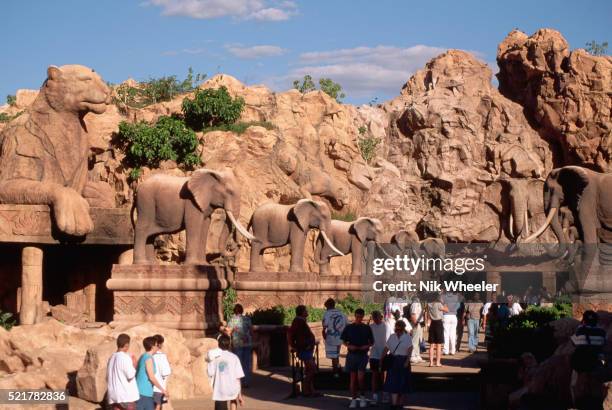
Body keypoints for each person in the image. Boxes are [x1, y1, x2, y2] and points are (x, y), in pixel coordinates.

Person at [570, 310, 607, 407]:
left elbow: (573, 342)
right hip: (596, 362)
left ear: (584, 320)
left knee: (573, 384)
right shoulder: (602, 331)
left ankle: (574, 403)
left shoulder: (581, 330)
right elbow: (604, 343)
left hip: (581, 364)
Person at [341, 308, 374, 408]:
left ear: (363, 317)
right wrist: (348, 346)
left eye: (360, 317)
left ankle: (362, 397)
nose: (358, 318)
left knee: (361, 378)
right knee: (353, 379)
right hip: (351, 354)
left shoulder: (367, 328)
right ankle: (354, 399)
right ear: (355, 316)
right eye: (357, 317)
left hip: (362, 355)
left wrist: (367, 346)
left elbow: (372, 342)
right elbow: (343, 340)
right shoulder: (349, 327)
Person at [288, 305, 319, 397]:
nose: (307, 312)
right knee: (312, 369)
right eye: (305, 310)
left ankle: (311, 390)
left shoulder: (300, 321)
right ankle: (306, 389)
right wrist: (293, 346)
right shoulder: (299, 321)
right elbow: (290, 334)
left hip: (306, 348)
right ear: (302, 312)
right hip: (304, 349)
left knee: (309, 369)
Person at [207, 334, 245, 410]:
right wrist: (240, 395)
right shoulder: (234, 357)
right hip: (232, 389)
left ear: (218, 344)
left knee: (220, 403)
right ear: (229, 344)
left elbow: (210, 373)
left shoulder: (214, 358)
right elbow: (238, 378)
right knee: (233, 398)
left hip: (220, 390)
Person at [382, 320, 413, 410]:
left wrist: (407, 361)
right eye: (397, 329)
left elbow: (410, 349)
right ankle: (394, 404)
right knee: (393, 383)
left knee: (403, 383)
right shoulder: (392, 337)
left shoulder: (407, 337)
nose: (398, 331)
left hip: (403, 361)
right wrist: (381, 359)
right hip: (393, 361)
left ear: (403, 329)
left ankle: (400, 404)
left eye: (400, 329)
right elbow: (386, 348)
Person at [107, 333, 139, 410]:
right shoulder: (125, 357)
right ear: (126, 344)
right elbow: (130, 376)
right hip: (125, 396)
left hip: (113, 394)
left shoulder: (111, 357)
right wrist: (134, 365)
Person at [224, 304, 253, 387]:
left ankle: (238, 382)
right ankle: (246, 382)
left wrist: (224, 330)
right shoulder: (247, 319)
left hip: (237, 343)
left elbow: (228, 332)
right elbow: (251, 331)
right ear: (242, 310)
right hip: (247, 343)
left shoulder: (232, 320)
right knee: (247, 363)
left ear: (234, 311)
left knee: (237, 363)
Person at [136, 336, 167, 410]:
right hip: (144, 392)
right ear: (152, 346)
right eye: (156, 345)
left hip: (142, 392)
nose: (158, 347)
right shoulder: (148, 358)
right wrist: (162, 390)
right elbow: (151, 377)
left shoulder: (143, 356)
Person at [322, 298, 347, 378]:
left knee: (334, 356)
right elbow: (347, 324)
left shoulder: (327, 313)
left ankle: (335, 373)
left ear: (328, 305)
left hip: (331, 338)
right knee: (336, 354)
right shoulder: (342, 313)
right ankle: (338, 367)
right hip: (340, 337)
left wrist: (324, 334)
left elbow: (324, 325)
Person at [368, 310, 388, 404]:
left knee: (383, 375)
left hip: (384, 354)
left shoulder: (386, 326)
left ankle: (385, 393)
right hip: (374, 354)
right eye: (374, 317)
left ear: (381, 317)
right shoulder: (370, 327)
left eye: (377, 317)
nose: (375, 319)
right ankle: (375, 395)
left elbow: (389, 340)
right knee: (374, 375)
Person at [427, 294, 447, 367]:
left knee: (431, 344)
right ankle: (438, 362)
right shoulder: (439, 304)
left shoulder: (429, 304)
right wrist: (444, 303)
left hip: (432, 323)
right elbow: (447, 310)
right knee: (438, 344)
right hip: (438, 323)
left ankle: (431, 362)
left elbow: (428, 315)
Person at [152, 335, 171, 410]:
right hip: (159, 386)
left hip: (150, 387)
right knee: (158, 406)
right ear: (159, 344)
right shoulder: (161, 356)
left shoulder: (148, 355)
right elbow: (166, 372)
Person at [408, 296, 425, 364]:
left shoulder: (419, 303)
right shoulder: (415, 304)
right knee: (414, 340)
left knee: (418, 340)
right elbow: (413, 314)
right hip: (415, 323)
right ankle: (412, 356)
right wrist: (415, 323)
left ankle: (417, 355)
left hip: (419, 323)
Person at [442, 291, 459, 355]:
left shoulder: (444, 297)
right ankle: (453, 350)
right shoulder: (456, 297)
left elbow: (442, 306)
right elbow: (458, 306)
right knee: (453, 334)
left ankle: (446, 350)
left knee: (446, 334)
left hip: (446, 315)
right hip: (454, 316)